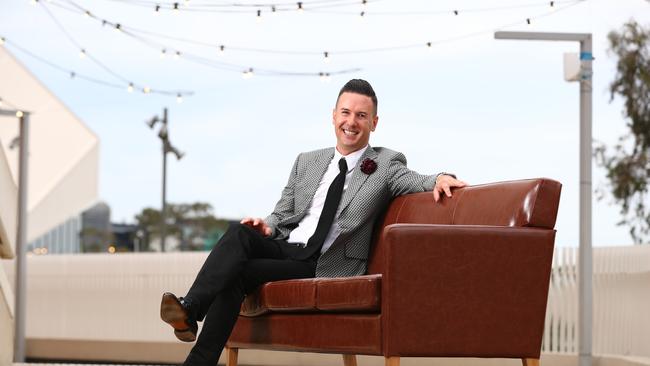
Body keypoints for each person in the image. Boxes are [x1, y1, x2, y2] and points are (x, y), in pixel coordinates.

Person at [160, 79, 466, 365]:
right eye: (346, 112)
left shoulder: (386, 164)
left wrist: (441, 177)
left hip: (321, 261)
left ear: (374, 123)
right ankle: (189, 308)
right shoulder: (306, 161)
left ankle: (196, 352)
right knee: (238, 232)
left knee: (237, 274)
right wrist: (266, 227)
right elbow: (281, 215)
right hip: (287, 245)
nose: (352, 122)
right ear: (333, 116)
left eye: (362, 115)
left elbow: (416, 180)